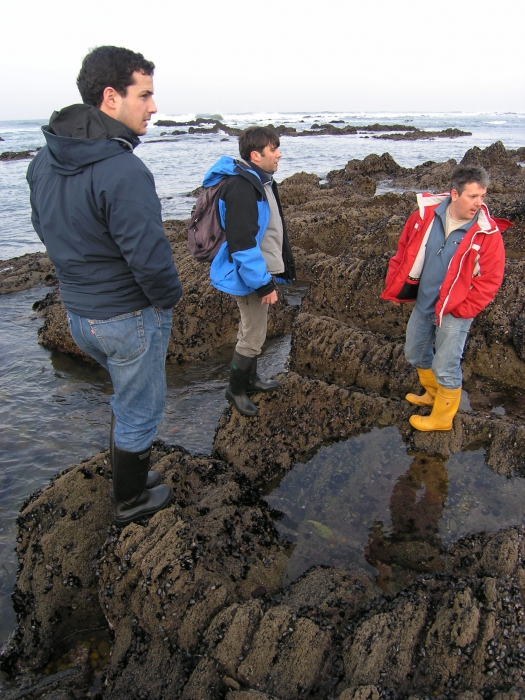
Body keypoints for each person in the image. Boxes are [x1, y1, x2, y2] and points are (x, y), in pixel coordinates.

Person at [26, 46, 182, 526]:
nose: (154, 107)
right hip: (127, 318)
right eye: (146, 94)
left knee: (123, 397)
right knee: (139, 410)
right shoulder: (122, 169)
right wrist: (170, 300)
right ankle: (129, 502)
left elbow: (43, 229)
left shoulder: (43, 160)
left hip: (78, 315)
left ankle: (129, 479)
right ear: (110, 97)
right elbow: (150, 260)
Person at [381, 164, 511, 432]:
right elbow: (403, 249)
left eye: (482, 197)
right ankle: (431, 394)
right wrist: (396, 283)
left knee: (446, 365)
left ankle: (442, 417)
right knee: (415, 353)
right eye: (472, 196)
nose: (479, 203)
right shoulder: (425, 214)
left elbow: (490, 281)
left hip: (455, 310)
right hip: (424, 302)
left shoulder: (487, 234)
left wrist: (463, 309)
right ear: (454, 194)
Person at [202, 126, 296, 417]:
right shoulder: (243, 187)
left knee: (253, 329)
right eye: (273, 149)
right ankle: (236, 390)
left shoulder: (259, 181)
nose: (279, 154)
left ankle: (251, 380)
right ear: (256, 155)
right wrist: (263, 284)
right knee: (253, 334)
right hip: (249, 274)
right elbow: (242, 243)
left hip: (258, 270)